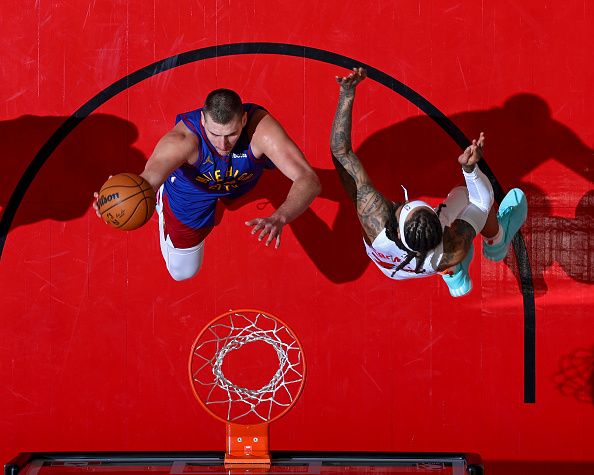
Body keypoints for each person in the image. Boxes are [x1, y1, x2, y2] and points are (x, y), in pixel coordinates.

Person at [330, 68, 527, 296]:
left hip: (400, 269)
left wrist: (347, 95)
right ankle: (497, 243)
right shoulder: (453, 247)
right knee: (464, 195)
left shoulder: (374, 219)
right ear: (442, 228)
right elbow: (481, 202)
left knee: (458, 228)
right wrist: (470, 169)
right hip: (429, 262)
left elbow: (341, 153)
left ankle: (454, 276)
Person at [95, 89, 320, 281]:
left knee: (250, 177)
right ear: (203, 120)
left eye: (232, 134)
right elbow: (149, 179)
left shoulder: (261, 131)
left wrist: (280, 217)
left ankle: (224, 197)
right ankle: (166, 202)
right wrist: (118, 199)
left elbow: (309, 179)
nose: (223, 144)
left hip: (237, 183)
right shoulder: (182, 142)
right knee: (183, 272)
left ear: (243, 120)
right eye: (214, 134)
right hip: (193, 191)